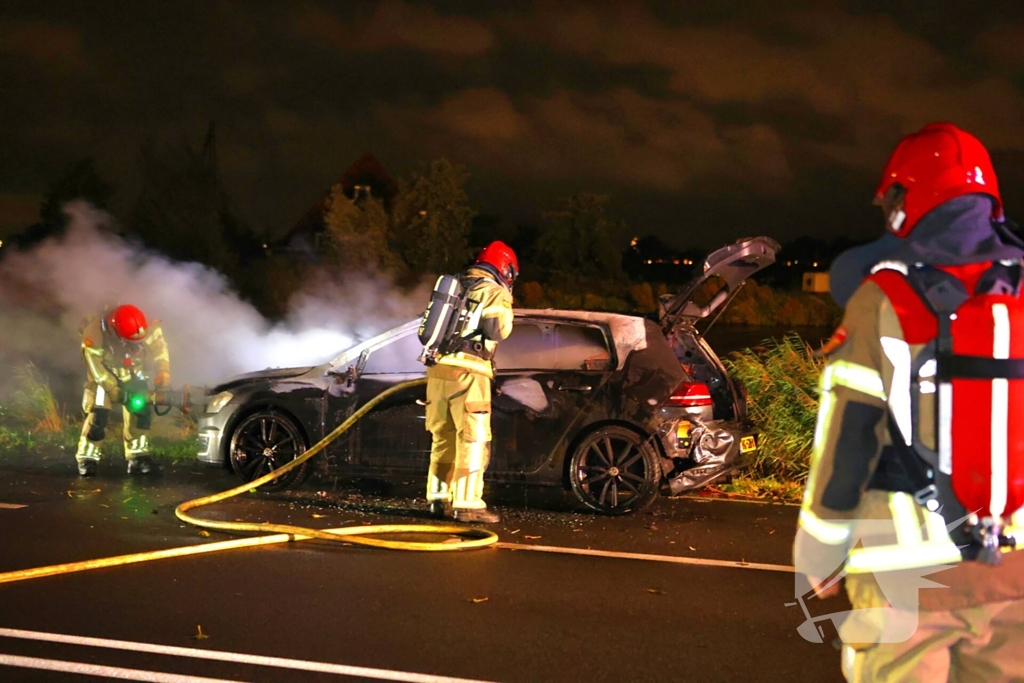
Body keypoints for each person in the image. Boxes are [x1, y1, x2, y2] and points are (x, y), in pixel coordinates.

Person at [796, 122, 1024, 681]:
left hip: (903, 572)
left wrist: (819, 551)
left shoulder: (882, 298)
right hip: (1014, 568)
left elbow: (847, 439)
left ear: (908, 199)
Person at [424, 241, 516, 524]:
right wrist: (507, 305)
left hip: (439, 371)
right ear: (506, 270)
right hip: (469, 373)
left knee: (443, 437)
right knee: (473, 439)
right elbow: (498, 330)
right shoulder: (493, 291)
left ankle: (438, 499)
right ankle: (467, 504)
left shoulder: (456, 286)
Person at [76, 304, 170, 477]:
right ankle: (87, 459)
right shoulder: (93, 334)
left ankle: (137, 457)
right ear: (115, 331)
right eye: (130, 343)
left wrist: (163, 371)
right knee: (98, 416)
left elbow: (159, 349)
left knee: (140, 414)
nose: (135, 347)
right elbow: (97, 371)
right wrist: (113, 390)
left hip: (134, 375)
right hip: (105, 378)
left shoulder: (145, 327)